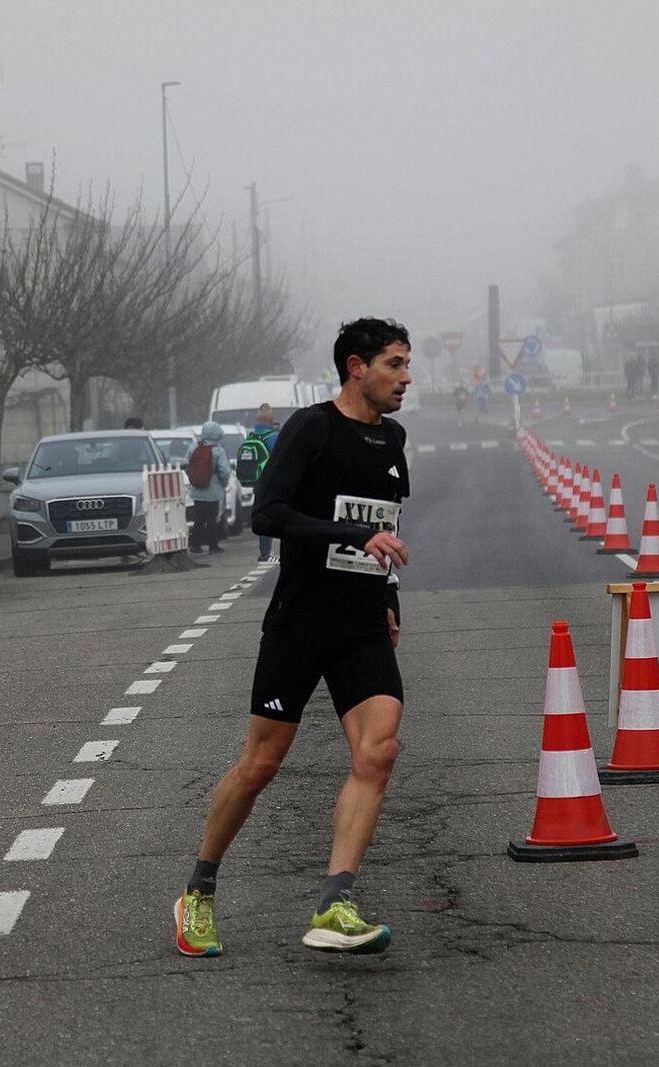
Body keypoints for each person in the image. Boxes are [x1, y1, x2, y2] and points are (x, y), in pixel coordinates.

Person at [175, 317, 412, 958]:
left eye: (406, 364)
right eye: (394, 364)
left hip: (362, 623)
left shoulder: (392, 438)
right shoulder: (311, 427)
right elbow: (269, 514)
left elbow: (383, 524)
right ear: (356, 367)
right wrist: (353, 536)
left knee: (378, 753)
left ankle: (336, 903)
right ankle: (198, 890)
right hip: (301, 620)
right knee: (262, 764)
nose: (405, 377)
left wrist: (386, 594)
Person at [185, 421, 233, 555]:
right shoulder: (219, 451)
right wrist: (223, 484)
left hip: (197, 490)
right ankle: (213, 545)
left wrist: (194, 479)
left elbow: (187, 466)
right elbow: (225, 471)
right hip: (213, 490)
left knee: (199, 518)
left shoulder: (193, 448)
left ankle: (195, 544)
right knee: (212, 519)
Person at [242, 404, 280, 562]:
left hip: (257, 483)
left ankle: (264, 552)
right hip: (273, 482)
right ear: (271, 420)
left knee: (264, 514)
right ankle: (271, 553)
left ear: (257, 420)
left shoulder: (250, 437)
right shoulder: (274, 437)